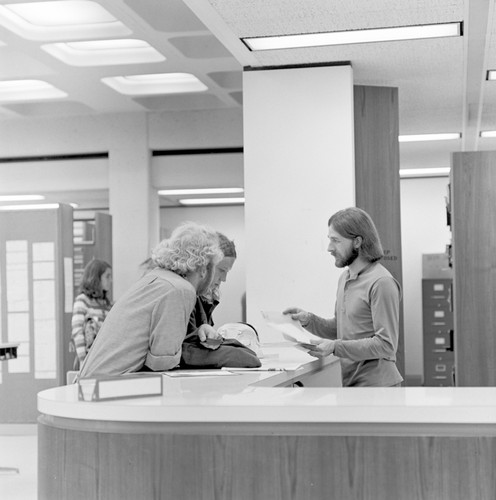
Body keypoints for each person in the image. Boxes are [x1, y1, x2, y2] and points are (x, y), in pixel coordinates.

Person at [78, 221, 223, 377]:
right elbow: (162, 365)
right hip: (109, 390)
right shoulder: (180, 289)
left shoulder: (158, 278)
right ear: (203, 268)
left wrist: (196, 333)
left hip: (93, 384)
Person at [284, 207, 403, 387]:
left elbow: (386, 344)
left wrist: (334, 347)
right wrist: (309, 320)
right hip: (352, 383)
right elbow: (341, 329)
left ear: (357, 242)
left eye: (336, 241)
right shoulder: (345, 278)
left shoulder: (381, 282)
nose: (330, 248)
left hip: (378, 386)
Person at [71, 259, 112, 370]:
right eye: (107, 276)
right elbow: (77, 333)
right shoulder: (82, 301)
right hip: (87, 363)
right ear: (96, 278)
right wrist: (83, 362)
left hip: (105, 363)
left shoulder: (108, 305)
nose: (110, 280)